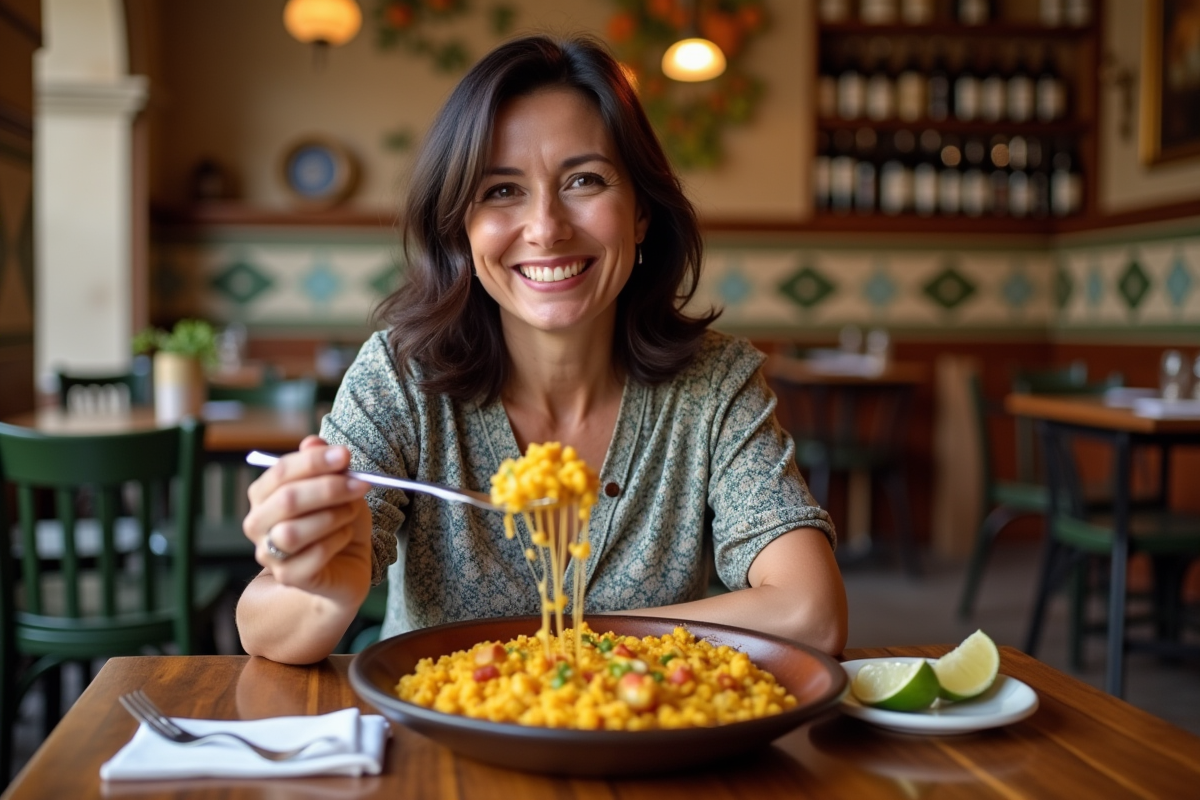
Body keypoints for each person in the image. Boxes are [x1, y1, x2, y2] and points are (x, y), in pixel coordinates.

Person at [236, 34, 847, 665]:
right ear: (460, 228)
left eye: (584, 180)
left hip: (645, 750)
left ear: (640, 212)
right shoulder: (402, 377)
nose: (547, 229)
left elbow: (811, 612)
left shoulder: (715, 384)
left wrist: (561, 642)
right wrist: (317, 591)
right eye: (501, 191)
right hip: (436, 754)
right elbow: (267, 628)